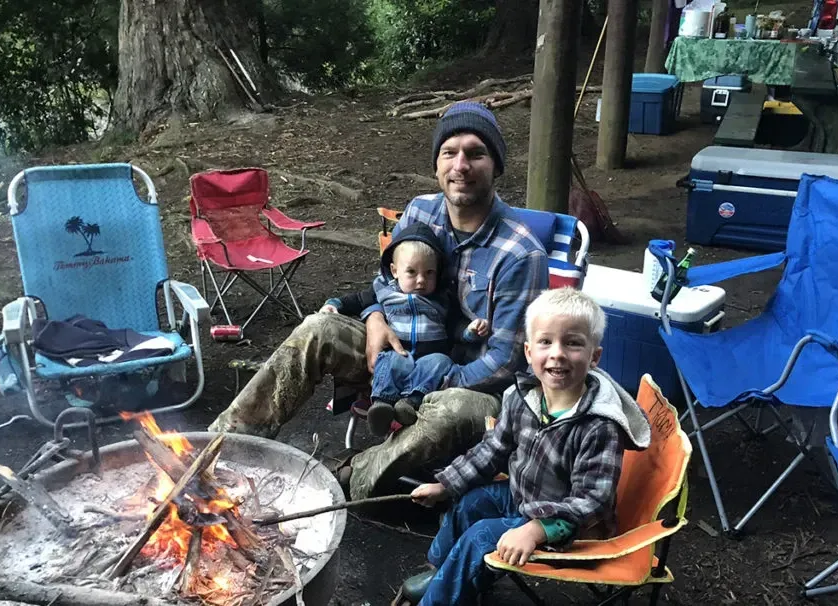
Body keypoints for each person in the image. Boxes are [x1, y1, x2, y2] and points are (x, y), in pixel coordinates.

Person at [208, 101, 550, 500]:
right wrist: (374, 318)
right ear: (437, 164)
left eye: (476, 154)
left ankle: (339, 480)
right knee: (319, 328)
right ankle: (221, 450)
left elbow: (505, 362)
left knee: (451, 410)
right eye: (449, 153)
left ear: (496, 165)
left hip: (470, 387)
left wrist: (430, 382)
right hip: (401, 353)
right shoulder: (420, 211)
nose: (461, 165)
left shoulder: (520, 253)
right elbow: (385, 283)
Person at [397, 288, 652, 606]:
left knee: (480, 537)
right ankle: (442, 573)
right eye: (546, 342)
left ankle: (439, 599)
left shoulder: (599, 425)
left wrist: (537, 529)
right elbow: (493, 449)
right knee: (469, 503)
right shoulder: (521, 398)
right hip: (524, 496)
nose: (557, 353)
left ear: (594, 357)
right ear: (529, 353)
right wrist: (444, 484)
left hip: (568, 526)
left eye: (573, 343)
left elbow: (592, 502)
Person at [318, 222, 490, 435]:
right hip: (399, 352)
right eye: (411, 272)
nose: (421, 280)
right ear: (395, 271)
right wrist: (334, 304)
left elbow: (453, 325)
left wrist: (469, 332)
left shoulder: (441, 298)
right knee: (389, 360)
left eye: (429, 273)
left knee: (441, 362)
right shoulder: (385, 291)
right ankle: (381, 404)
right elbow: (357, 300)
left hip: (428, 359)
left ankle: (409, 403)